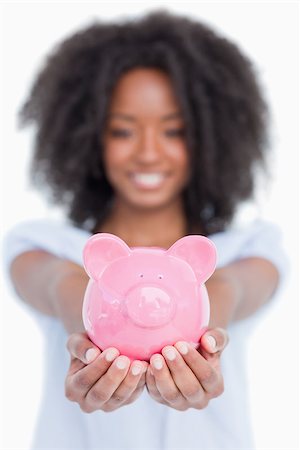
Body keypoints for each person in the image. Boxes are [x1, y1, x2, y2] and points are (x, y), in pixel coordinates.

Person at [3, 9, 287, 450]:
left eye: (174, 130)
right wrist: (92, 338)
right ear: (87, 136)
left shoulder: (248, 249)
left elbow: (231, 286)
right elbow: (63, 282)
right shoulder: (41, 246)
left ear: (212, 137)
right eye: (122, 130)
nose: (149, 153)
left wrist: (204, 341)